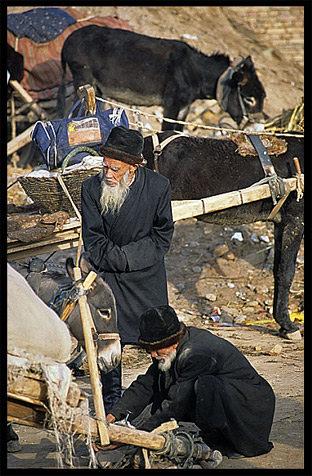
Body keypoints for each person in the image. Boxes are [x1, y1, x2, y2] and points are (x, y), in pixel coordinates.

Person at [81, 126, 174, 413]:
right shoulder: (90, 188)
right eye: (105, 166)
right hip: (109, 276)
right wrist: (116, 260)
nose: (108, 174)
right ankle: (111, 402)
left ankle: (163, 400)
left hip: (147, 274)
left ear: (133, 167)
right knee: (110, 344)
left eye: (116, 169)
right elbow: (93, 240)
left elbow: (162, 236)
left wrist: (127, 257)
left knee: (159, 341)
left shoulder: (158, 187)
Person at [106, 305, 276, 459]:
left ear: (173, 342)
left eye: (157, 349)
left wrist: (136, 437)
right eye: (149, 350)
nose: (152, 355)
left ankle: (233, 440)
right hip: (233, 397)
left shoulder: (195, 354)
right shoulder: (170, 350)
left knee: (202, 386)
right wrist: (115, 414)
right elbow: (146, 384)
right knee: (171, 383)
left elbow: (176, 403)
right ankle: (218, 434)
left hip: (251, 407)